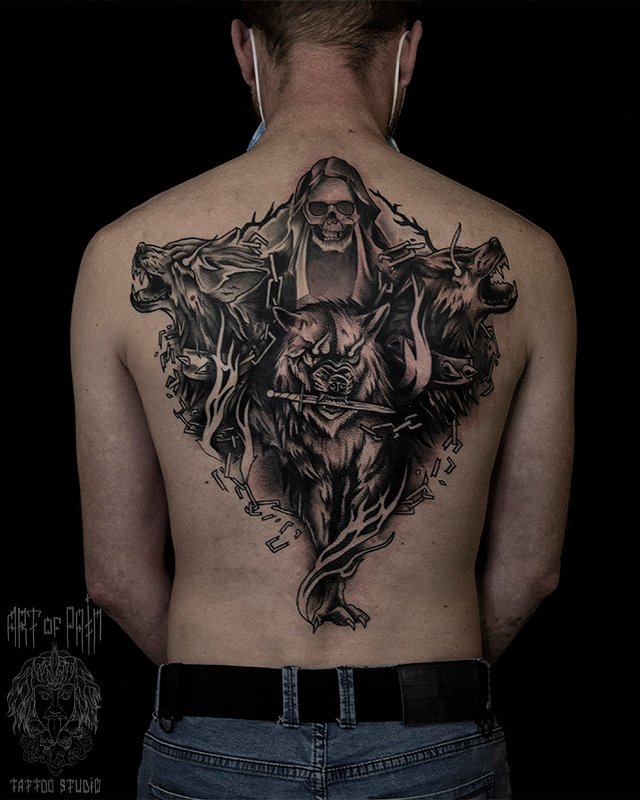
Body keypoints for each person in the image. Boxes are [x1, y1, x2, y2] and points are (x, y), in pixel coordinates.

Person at [71, 2, 575, 798]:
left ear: (246, 48)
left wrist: (227, 698)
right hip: (430, 737)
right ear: (407, 50)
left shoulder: (114, 256)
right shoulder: (534, 260)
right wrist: (422, 692)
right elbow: (531, 572)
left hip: (215, 742)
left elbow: (114, 578)